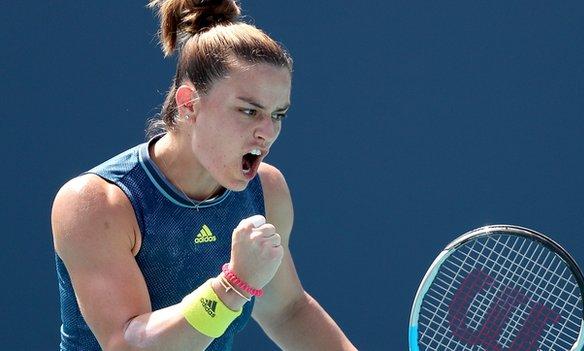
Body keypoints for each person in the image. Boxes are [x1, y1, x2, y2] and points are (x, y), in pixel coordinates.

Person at [51, 1, 357, 350]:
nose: (267, 132)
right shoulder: (97, 204)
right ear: (189, 104)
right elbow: (127, 344)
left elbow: (287, 311)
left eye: (278, 115)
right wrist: (234, 286)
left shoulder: (266, 191)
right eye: (248, 110)